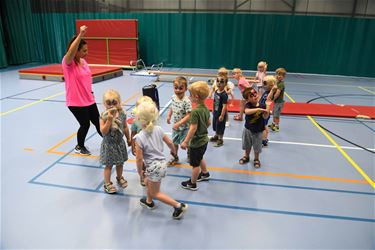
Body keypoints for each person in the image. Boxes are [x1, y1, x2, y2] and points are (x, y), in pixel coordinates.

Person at [134, 101, 188, 220]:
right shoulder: (158, 129)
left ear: (138, 119)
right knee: (149, 181)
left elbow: (139, 159)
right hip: (162, 164)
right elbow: (169, 142)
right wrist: (173, 152)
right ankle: (148, 201)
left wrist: (139, 172)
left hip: (153, 167)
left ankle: (178, 206)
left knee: (156, 193)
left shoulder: (139, 137)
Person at [62, 25, 102, 155]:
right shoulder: (68, 63)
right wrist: (80, 35)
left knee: (98, 122)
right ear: (76, 51)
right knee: (85, 124)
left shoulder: (83, 62)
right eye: (83, 50)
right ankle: (79, 146)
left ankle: (110, 142)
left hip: (88, 99)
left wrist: (90, 93)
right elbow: (70, 53)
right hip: (75, 102)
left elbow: (86, 80)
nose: (86, 53)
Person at [180, 81, 211, 191]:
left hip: (196, 142)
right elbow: (208, 123)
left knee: (195, 165)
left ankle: (192, 183)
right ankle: (205, 173)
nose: (189, 97)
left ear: (196, 97)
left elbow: (193, 128)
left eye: (191, 95)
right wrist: (202, 130)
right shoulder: (205, 108)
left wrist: (185, 141)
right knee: (200, 157)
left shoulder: (195, 112)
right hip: (204, 140)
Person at [99, 89, 131, 194]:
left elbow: (125, 127)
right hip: (109, 145)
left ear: (119, 102)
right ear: (104, 104)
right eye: (108, 103)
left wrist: (128, 138)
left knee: (120, 163)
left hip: (119, 143)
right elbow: (103, 132)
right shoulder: (103, 116)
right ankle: (107, 183)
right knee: (109, 165)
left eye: (114, 103)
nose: (111, 105)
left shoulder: (122, 114)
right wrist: (109, 120)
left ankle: (119, 177)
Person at [239, 87, 271, 168]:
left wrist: (267, 106)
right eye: (251, 95)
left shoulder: (262, 105)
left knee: (257, 147)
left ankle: (256, 159)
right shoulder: (248, 105)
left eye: (255, 93)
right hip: (248, 130)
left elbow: (265, 116)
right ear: (247, 99)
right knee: (247, 145)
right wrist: (258, 109)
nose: (254, 96)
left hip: (258, 131)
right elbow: (247, 112)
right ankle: (246, 156)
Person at [166, 76, 192, 165]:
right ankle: (175, 157)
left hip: (185, 127)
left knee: (186, 143)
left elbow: (189, 115)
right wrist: (169, 116)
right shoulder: (173, 97)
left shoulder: (186, 101)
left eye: (181, 88)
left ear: (185, 89)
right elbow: (172, 107)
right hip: (175, 126)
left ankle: (190, 154)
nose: (178, 90)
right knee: (174, 142)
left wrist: (180, 123)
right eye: (176, 88)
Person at [130, 95, 155, 186]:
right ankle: (142, 175)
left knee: (150, 161)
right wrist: (133, 145)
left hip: (150, 145)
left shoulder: (153, 121)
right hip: (140, 145)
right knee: (142, 161)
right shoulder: (135, 121)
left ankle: (150, 173)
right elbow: (133, 133)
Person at [209, 75, 228, 147]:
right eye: (218, 81)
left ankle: (220, 139)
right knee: (215, 125)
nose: (219, 83)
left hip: (220, 113)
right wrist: (213, 109)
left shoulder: (224, 95)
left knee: (221, 126)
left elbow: (224, 106)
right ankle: (216, 136)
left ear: (225, 84)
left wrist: (222, 115)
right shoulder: (216, 91)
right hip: (216, 112)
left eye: (222, 82)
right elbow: (214, 102)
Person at [259, 75, 276, 147]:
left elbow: (269, 99)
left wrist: (272, 90)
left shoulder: (271, 93)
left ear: (271, 85)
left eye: (265, 83)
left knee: (263, 127)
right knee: (263, 126)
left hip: (265, 111)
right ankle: (263, 138)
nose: (263, 85)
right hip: (262, 110)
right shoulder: (266, 91)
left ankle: (264, 140)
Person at [268, 68, 287, 132]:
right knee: (274, 113)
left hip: (279, 102)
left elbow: (277, 93)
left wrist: (272, 99)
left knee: (276, 115)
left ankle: (277, 126)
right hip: (276, 102)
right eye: (277, 74)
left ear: (283, 77)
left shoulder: (281, 84)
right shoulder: (277, 82)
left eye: (280, 75)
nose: (278, 76)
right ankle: (273, 124)